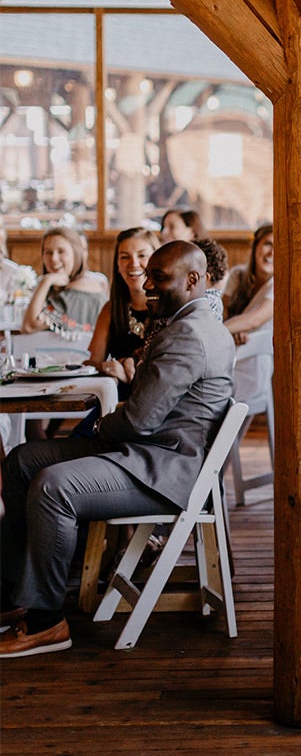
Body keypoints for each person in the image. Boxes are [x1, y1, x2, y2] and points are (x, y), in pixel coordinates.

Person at [0, 240, 235, 658]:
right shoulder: (185, 324)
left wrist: (95, 429)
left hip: (163, 468)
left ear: (194, 279)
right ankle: (21, 591)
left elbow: (138, 421)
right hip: (145, 451)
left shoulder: (189, 335)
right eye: (148, 276)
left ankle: (46, 621)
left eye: (158, 277)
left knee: (54, 486)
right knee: (23, 460)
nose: (146, 284)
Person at [87, 227, 161, 387]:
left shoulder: (170, 306)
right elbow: (90, 364)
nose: (133, 263)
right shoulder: (110, 309)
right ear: (117, 265)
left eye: (142, 255)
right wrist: (115, 366)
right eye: (124, 257)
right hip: (119, 400)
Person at [20, 226, 106, 337]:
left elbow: (29, 327)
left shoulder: (81, 289)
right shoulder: (62, 285)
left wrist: (45, 281)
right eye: (48, 252)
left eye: (61, 251)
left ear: (76, 254)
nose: (54, 258)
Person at [223, 223, 274, 345]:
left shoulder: (278, 285)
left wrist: (213, 334)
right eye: (268, 244)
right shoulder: (237, 274)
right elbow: (223, 311)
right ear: (255, 246)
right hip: (230, 345)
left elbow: (254, 320)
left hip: (259, 352)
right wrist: (233, 331)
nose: (272, 253)